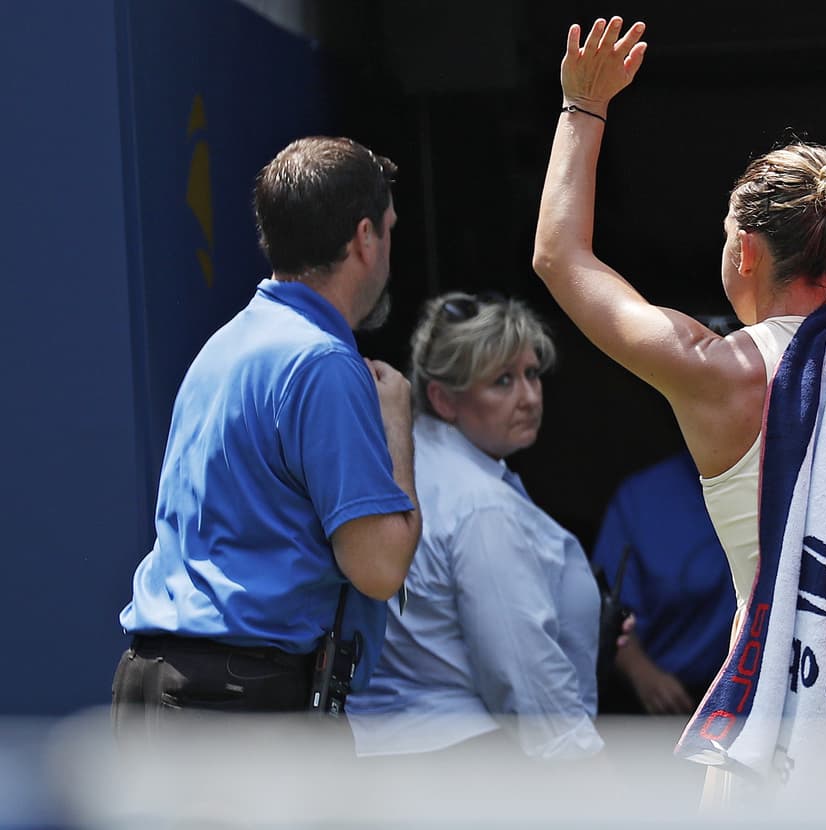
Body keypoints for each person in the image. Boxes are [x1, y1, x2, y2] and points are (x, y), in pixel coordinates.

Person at [532, 17, 826, 799]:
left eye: (726, 231)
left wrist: (582, 107)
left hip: (770, 737)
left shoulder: (718, 371)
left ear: (746, 252)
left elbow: (559, 257)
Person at [112, 136, 421, 732]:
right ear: (364, 238)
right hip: (239, 701)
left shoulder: (224, 345)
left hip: (156, 684)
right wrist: (398, 430)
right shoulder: (325, 363)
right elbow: (380, 568)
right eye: (388, 230)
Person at [346, 292, 604, 761]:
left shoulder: (399, 466)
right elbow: (522, 671)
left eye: (531, 374)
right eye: (502, 381)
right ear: (444, 399)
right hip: (464, 760)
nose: (528, 396)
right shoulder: (479, 504)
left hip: (381, 752)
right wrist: (588, 775)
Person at [592, 451, 736, 716]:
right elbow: (604, 612)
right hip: (665, 700)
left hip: (752, 705)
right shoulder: (643, 498)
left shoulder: (783, 485)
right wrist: (643, 674)